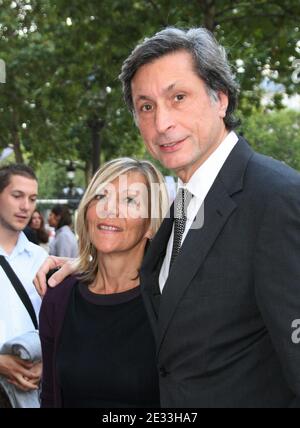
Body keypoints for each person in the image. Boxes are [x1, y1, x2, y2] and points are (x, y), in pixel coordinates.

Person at [35, 27, 300, 408]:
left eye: (178, 97)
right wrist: (86, 263)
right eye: (146, 107)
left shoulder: (277, 197)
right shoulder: (183, 205)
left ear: (220, 99)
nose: (162, 123)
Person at [39, 158, 169, 408]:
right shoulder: (60, 296)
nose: (109, 209)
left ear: (151, 225)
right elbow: (49, 396)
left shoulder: (170, 301)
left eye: (130, 200)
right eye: (101, 196)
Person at [0, 164, 48, 408]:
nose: (26, 207)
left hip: (31, 389)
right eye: (17, 196)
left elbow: (53, 325)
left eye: (32, 198)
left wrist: (46, 363)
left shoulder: (41, 260)